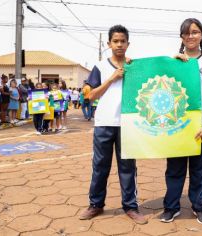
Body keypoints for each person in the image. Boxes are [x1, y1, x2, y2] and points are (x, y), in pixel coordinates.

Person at [79, 25, 147, 225]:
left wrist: (177, 60)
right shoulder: (100, 67)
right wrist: (111, 78)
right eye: (115, 41)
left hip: (128, 124)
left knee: (128, 167)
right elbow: (90, 96)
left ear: (128, 44)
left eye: (122, 41)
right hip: (104, 123)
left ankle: (131, 206)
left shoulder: (134, 65)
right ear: (109, 44)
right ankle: (96, 204)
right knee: (100, 166)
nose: (119, 44)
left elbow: (155, 75)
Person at [161, 18, 202, 225]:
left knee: (199, 168)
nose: (191, 36)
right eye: (187, 33)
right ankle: (171, 207)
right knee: (175, 168)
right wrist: (171, 64)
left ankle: (198, 206)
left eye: (195, 32)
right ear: (181, 37)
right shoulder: (174, 61)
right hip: (178, 124)